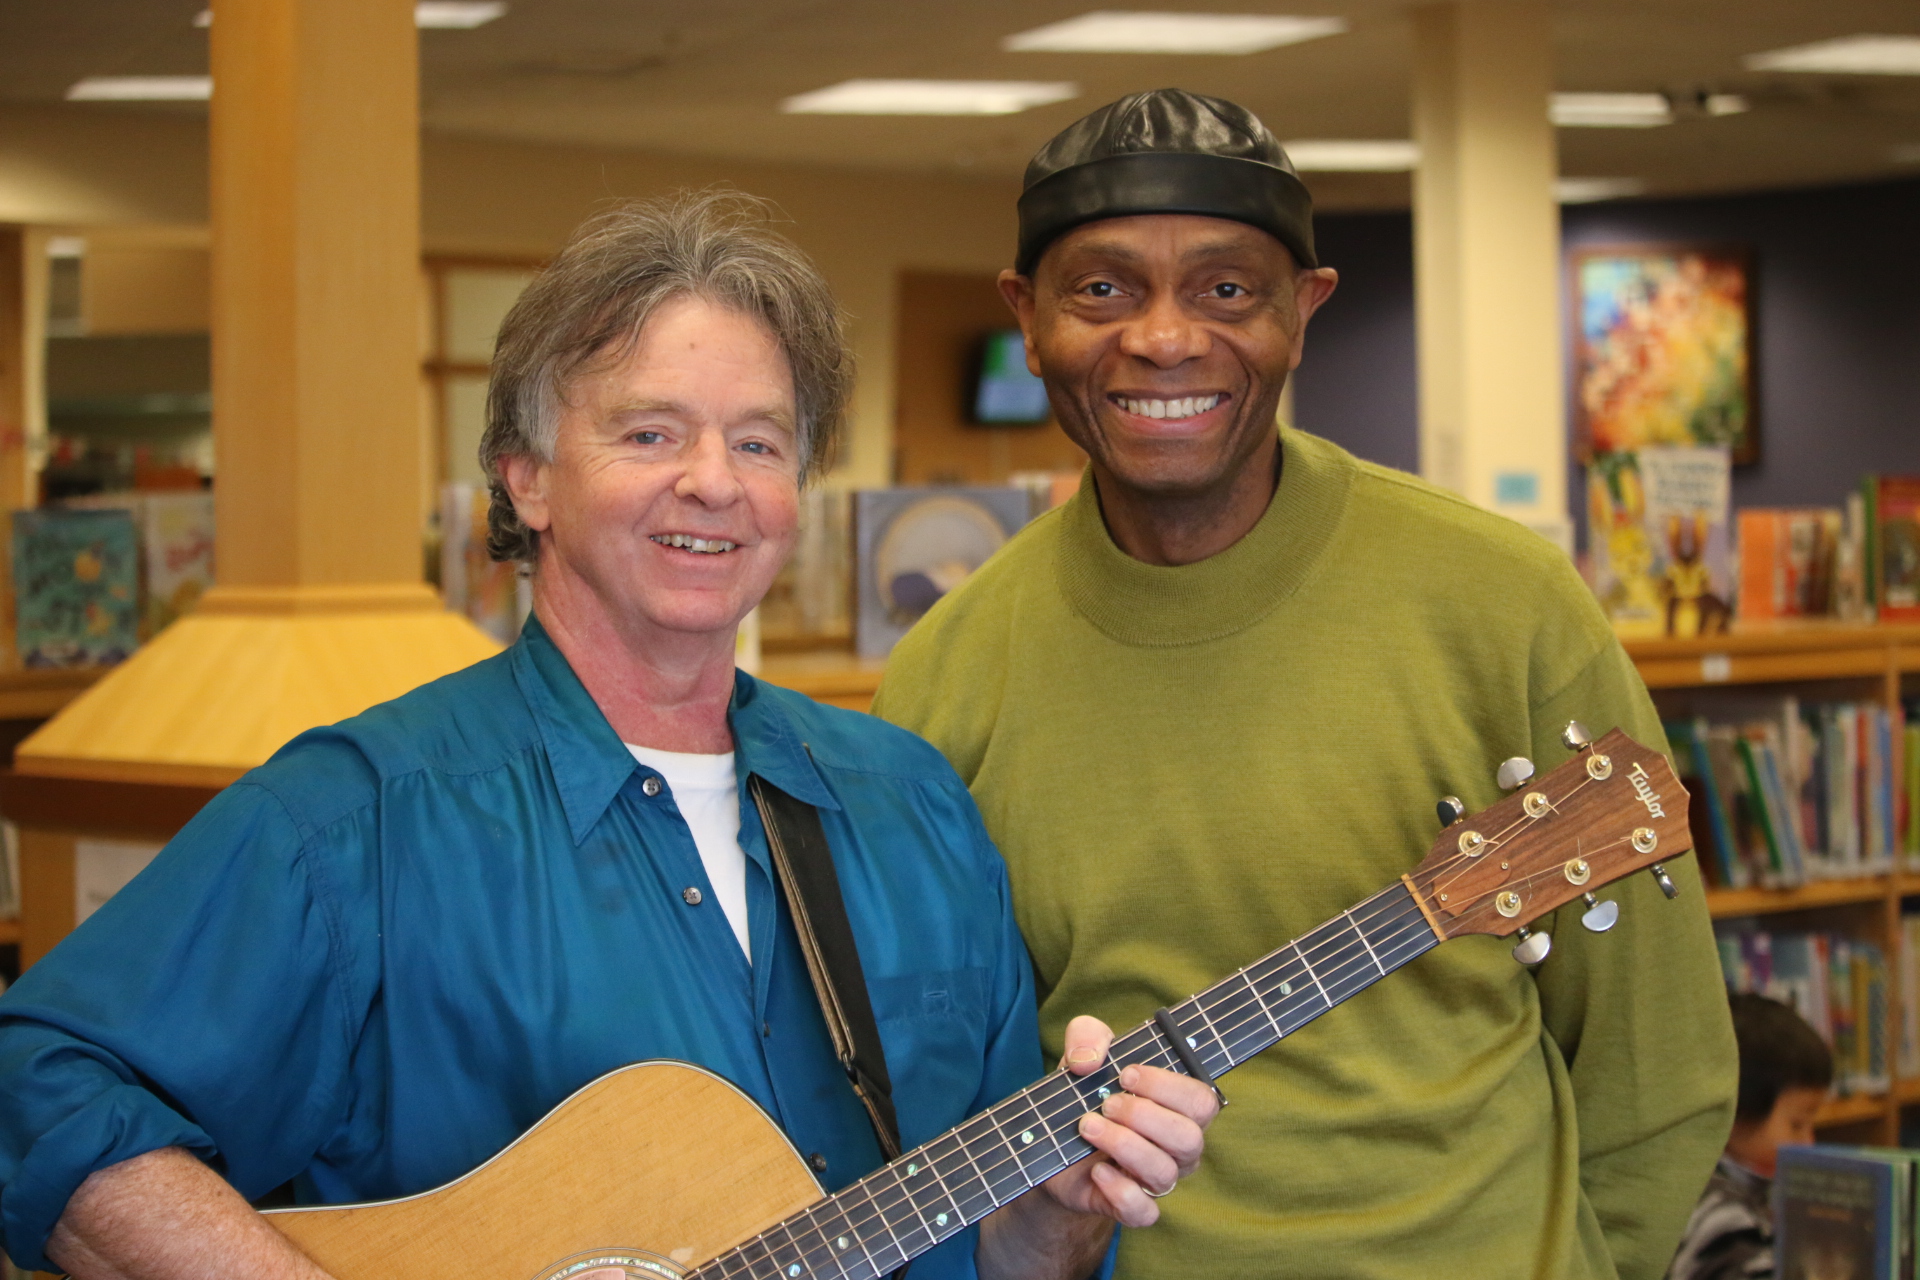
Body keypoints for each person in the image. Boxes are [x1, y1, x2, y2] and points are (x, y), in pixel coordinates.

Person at [0, 192, 1217, 1280]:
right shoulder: (361, 816)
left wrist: (1063, 1213)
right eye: (649, 433)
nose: (713, 481)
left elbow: (1001, 1258)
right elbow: (38, 1085)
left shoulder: (913, 807)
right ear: (527, 479)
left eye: (759, 440)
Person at [872, 89, 1739, 1280]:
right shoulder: (943, 674)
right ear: (1027, 316)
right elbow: (941, 1106)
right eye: (1103, 289)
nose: (1165, 339)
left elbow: (1660, 1055)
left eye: (1226, 288)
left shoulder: (1506, 604)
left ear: (1304, 309)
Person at [1667, 993, 1833, 1280]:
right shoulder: (1720, 1215)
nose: (1808, 1142)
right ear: (1735, 1113)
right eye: (1797, 1124)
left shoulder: (1748, 1188)